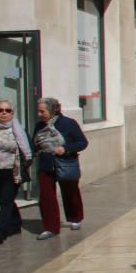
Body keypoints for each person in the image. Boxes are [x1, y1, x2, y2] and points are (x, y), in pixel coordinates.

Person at [32, 97, 88, 239]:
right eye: (38, 111)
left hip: (65, 163)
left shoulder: (68, 124)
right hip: (45, 164)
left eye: (42, 111)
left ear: (52, 111)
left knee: (70, 192)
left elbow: (82, 142)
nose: (39, 114)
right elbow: (35, 143)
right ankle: (50, 227)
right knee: (46, 196)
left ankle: (75, 218)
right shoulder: (39, 126)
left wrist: (65, 148)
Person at [0, 100, 32, 244]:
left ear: (12, 113)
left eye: (8, 110)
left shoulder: (18, 130)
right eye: (0, 110)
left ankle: (0, 231)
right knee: (5, 200)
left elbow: (28, 151)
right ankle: (16, 224)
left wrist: (25, 166)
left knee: (5, 201)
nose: (4, 113)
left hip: (11, 171)